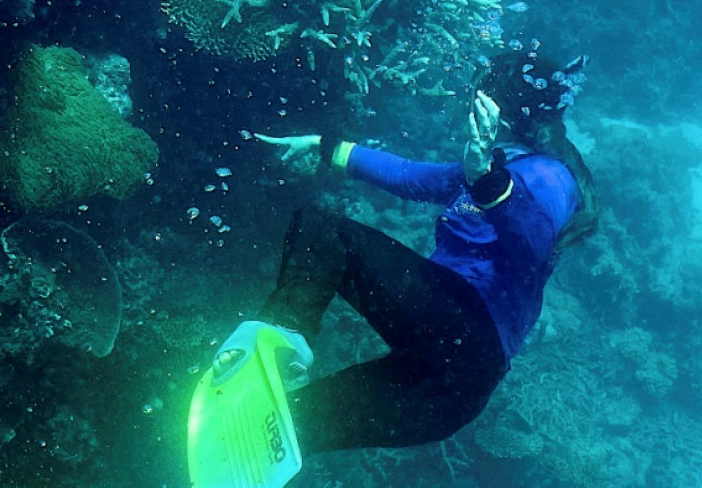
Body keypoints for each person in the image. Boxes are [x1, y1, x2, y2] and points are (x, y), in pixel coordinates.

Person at [254, 52, 599, 456]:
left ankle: (280, 338)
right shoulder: (490, 164)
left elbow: (533, 247)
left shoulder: (552, 176)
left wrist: (487, 181)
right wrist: (323, 146)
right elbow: (406, 176)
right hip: (451, 390)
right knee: (281, 428)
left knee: (322, 230)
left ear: (501, 106)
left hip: (466, 331)